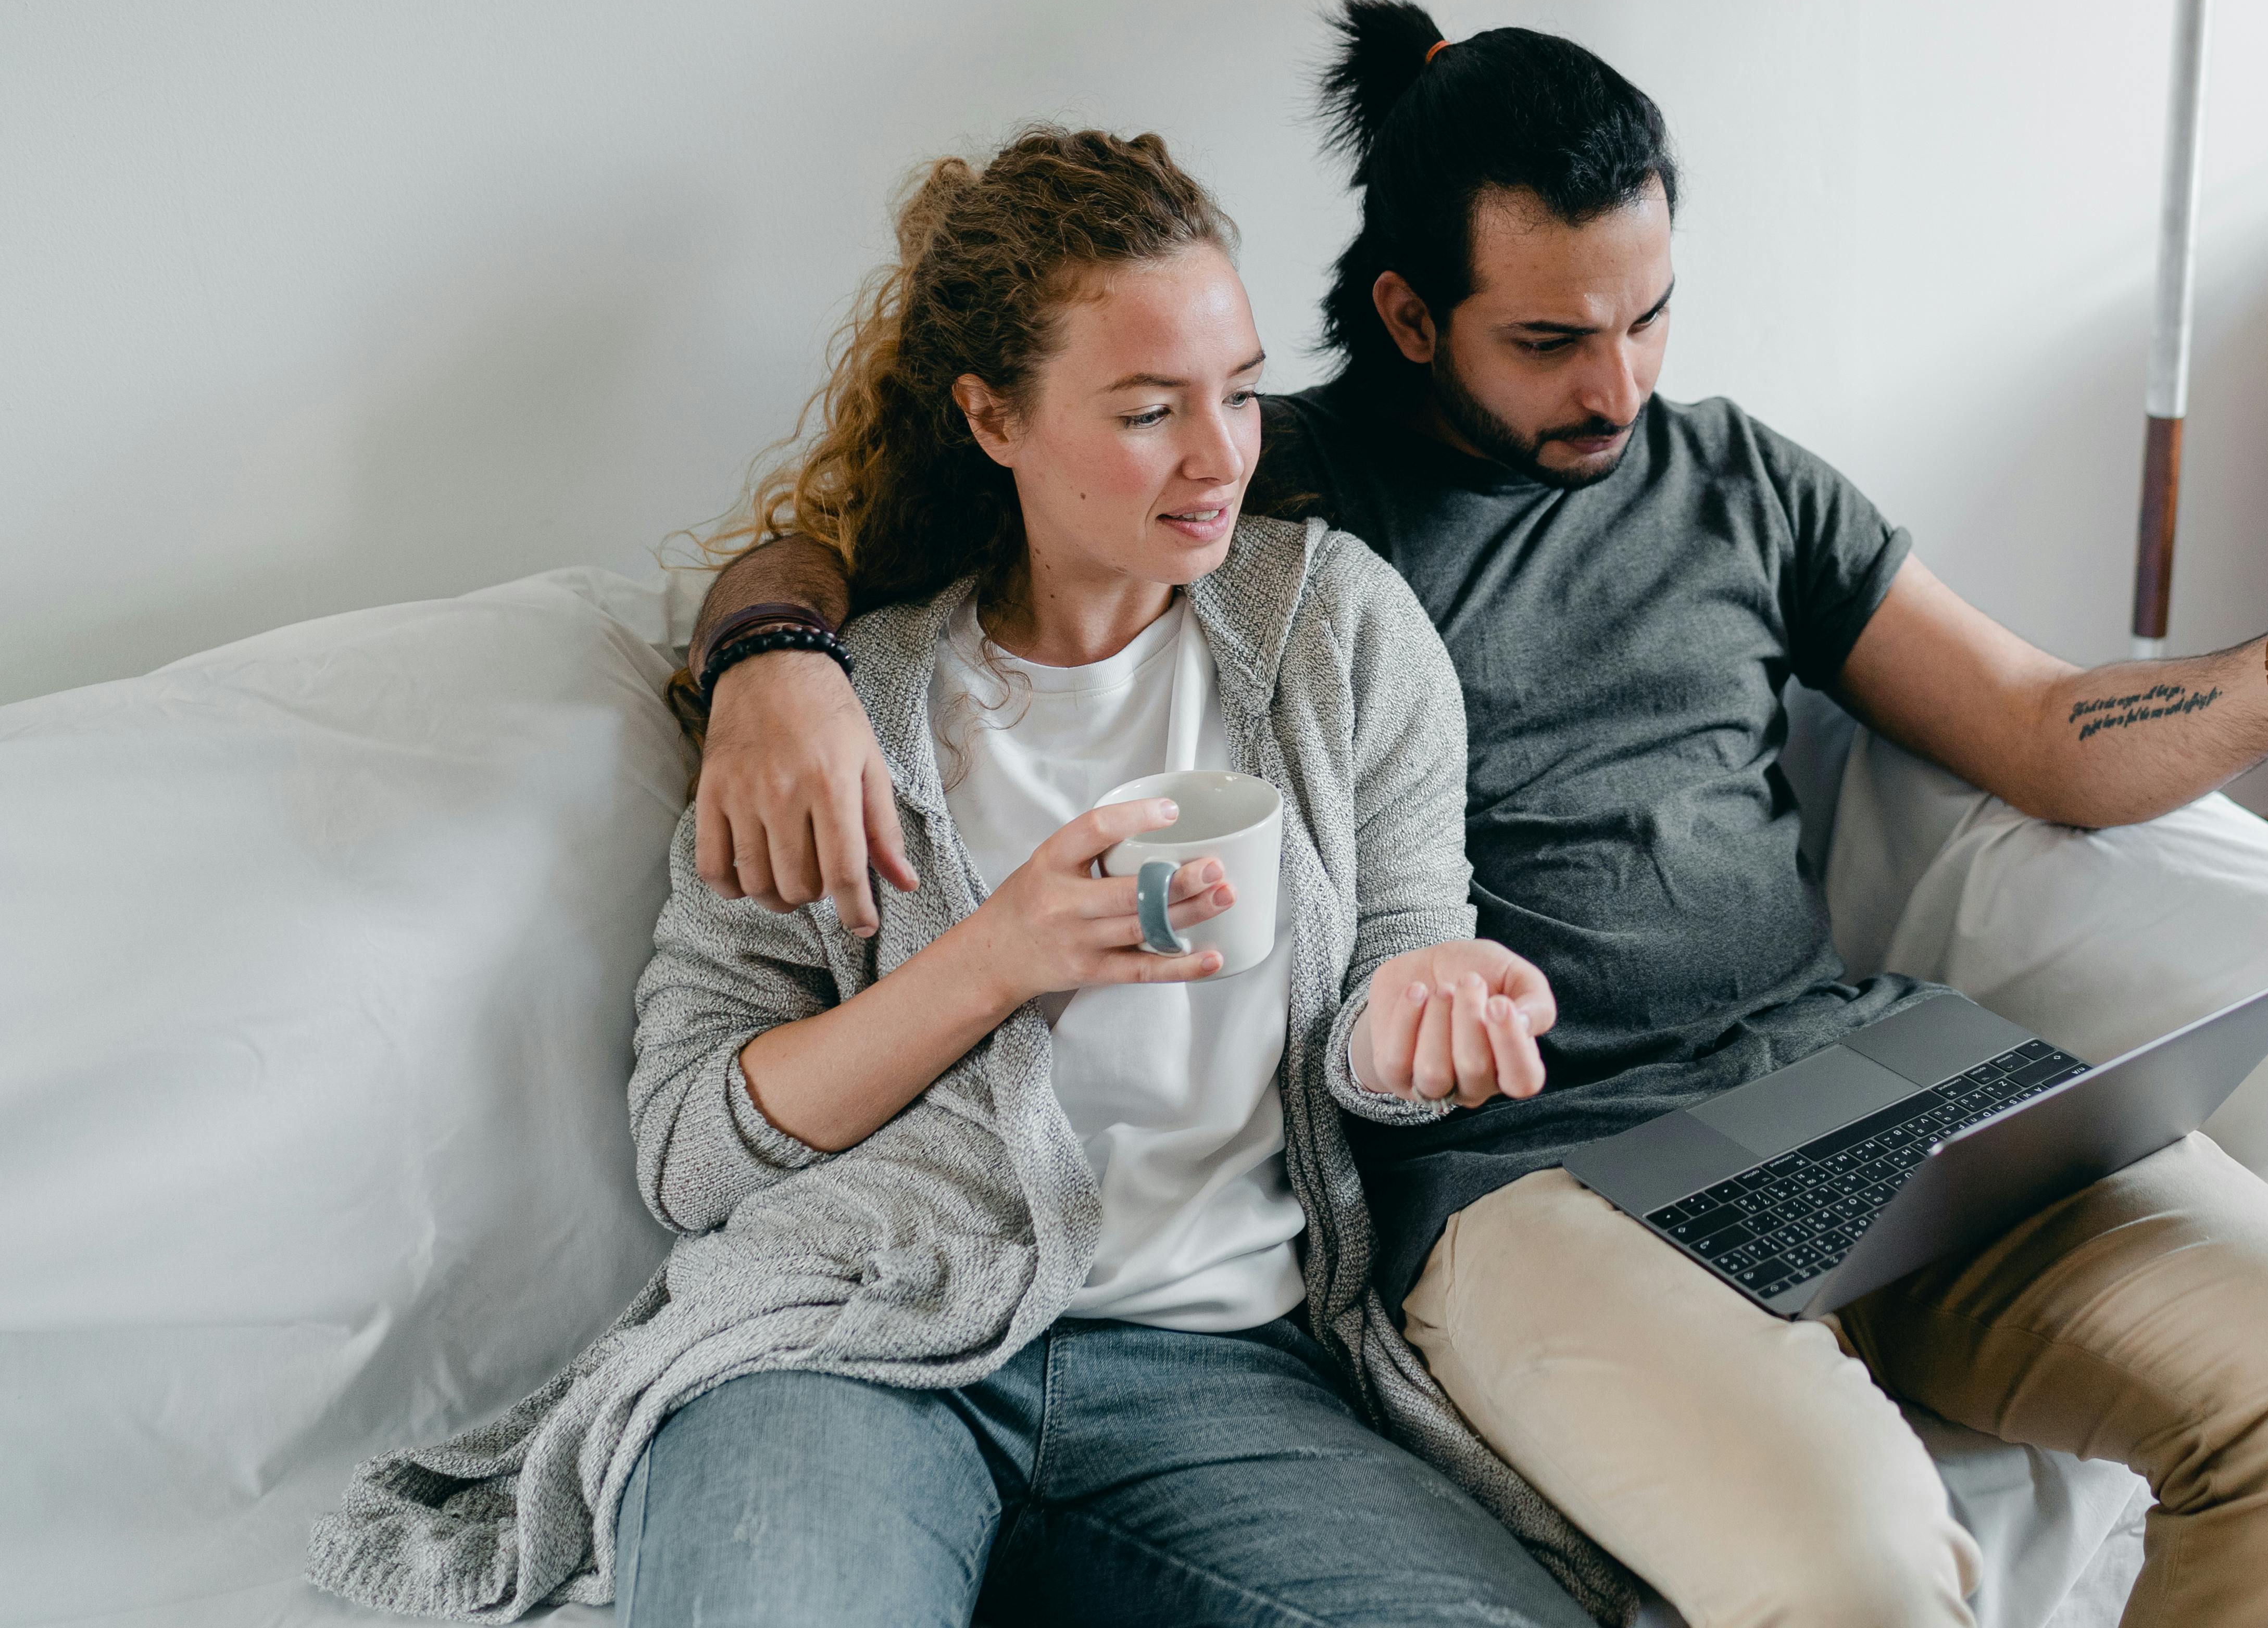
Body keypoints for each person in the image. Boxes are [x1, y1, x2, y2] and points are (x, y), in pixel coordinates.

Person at [685, 7, 2268, 1628]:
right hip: (1536, 1186)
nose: (1621, 387)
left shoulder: (1734, 479)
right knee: (1852, 1569)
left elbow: (2047, 734)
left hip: (1855, 1096)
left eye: (1652, 317)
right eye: (1554, 342)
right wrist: (776, 651)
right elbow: (896, 528)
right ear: (1411, 316)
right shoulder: (1271, 505)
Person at [309, 125, 1618, 1625]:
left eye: (1241, 392)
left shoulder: (1336, 636)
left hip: (1219, 1373)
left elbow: (1389, 982)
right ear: (994, 418)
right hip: (843, 1342)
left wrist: (1423, 1014)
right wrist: (998, 955)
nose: (1220, 458)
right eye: (1146, 412)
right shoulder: (842, 710)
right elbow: (690, 1150)